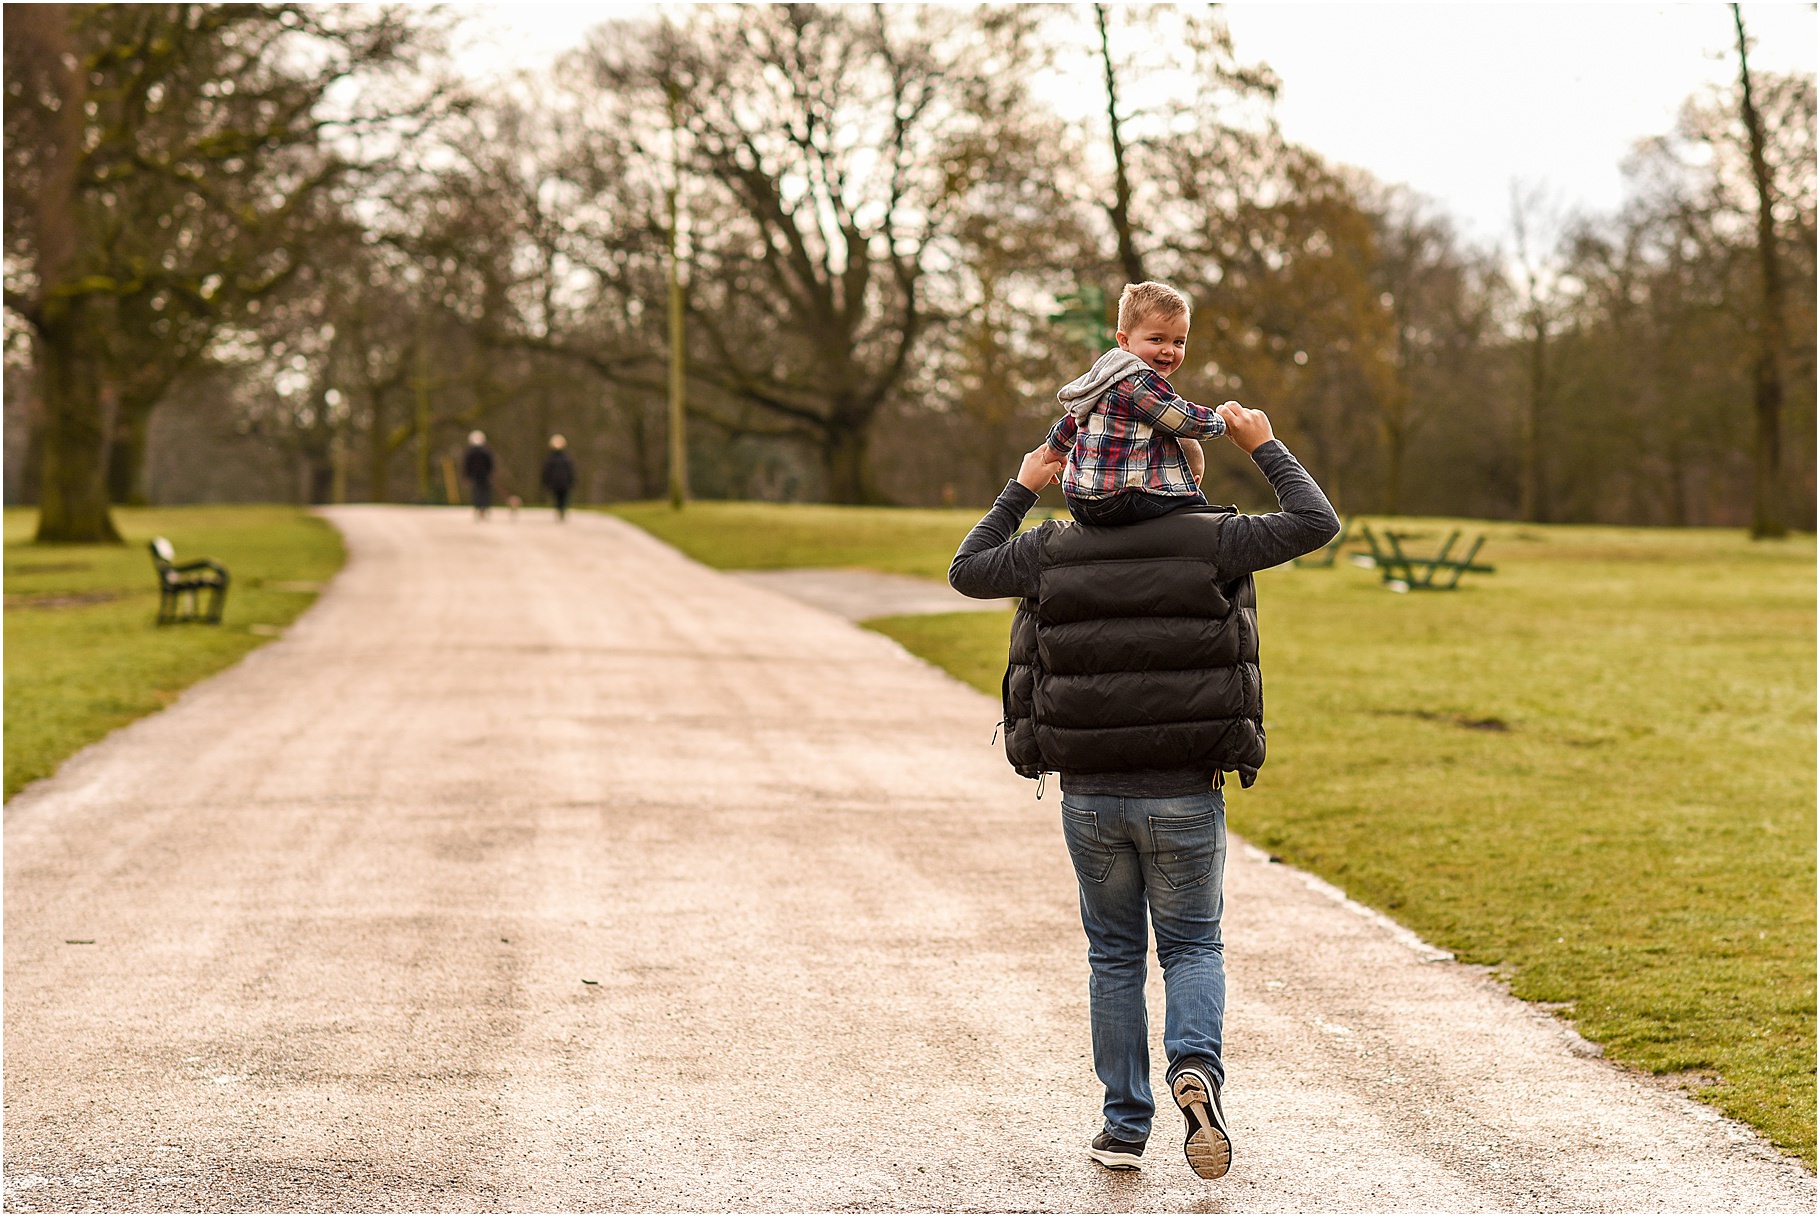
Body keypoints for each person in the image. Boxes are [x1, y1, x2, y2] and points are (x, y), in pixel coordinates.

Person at [949, 401, 1338, 1181]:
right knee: (1192, 944)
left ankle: (1124, 1127)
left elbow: (968, 569)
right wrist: (1264, 445)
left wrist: (1021, 486)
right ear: (1184, 476)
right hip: (1185, 790)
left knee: (1115, 955)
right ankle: (1195, 1070)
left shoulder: (1053, 546)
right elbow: (1313, 520)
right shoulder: (1217, 539)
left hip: (1090, 795)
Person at [1042, 281, 1232, 528]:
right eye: (1157, 339)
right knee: (1198, 507)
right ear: (1124, 340)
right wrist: (1224, 424)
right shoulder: (1140, 381)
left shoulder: (1103, 374)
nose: (1168, 351)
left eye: (1178, 342)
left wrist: (1053, 452)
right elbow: (1184, 420)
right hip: (1120, 500)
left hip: (1080, 500)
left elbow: (1073, 417)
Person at [462, 430, 497, 520]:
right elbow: (490, 464)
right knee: (484, 493)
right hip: (484, 475)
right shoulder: (486, 451)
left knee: (478, 492)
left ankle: (479, 508)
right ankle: (483, 509)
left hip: (477, 475)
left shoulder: (470, 452)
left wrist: (467, 476)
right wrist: (491, 473)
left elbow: (467, 465)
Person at [541, 435, 576, 521]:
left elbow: (570, 471)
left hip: (560, 482)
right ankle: (561, 510)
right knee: (560, 497)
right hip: (560, 482)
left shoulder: (554, 458)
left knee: (561, 497)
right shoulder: (564, 458)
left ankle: (561, 510)